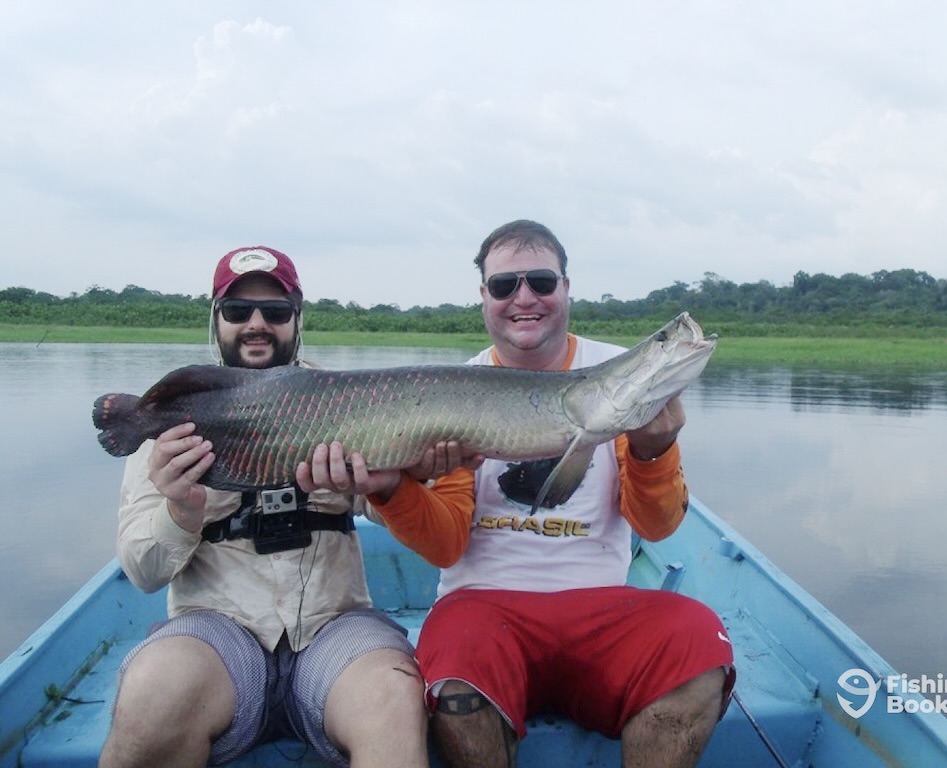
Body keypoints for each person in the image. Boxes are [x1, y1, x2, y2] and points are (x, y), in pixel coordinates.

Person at [363, 220, 736, 768]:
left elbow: (656, 527)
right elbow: (445, 547)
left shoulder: (615, 378)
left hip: (603, 610)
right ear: (484, 298)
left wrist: (653, 452)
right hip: (483, 608)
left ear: (565, 288)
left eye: (541, 281)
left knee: (699, 642)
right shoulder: (451, 391)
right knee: (458, 670)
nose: (524, 298)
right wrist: (394, 488)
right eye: (503, 286)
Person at [99, 246, 431, 768]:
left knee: (394, 701)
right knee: (150, 697)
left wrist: (394, 481)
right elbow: (141, 572)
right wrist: (180, 513)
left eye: (275, 312)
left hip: (334, 627)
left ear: (298, 318)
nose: (257, 324)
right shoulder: (170, 414)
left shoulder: (348, 400)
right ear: (217, 319)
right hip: (215, 631)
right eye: (238, 312)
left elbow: (397, 514)